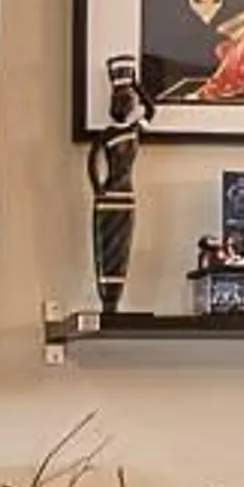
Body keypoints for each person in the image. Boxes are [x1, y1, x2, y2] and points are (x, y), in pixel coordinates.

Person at [87, 53, 154, 314]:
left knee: (121, 247)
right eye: (123, 100)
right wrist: (97, 188)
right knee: (107, 247)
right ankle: (107, 302)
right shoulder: (107, 134)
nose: (127, 104)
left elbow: (152, 109)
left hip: (126, 197)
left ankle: (113, 303)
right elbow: (92, 161)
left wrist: (136, 83)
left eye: (130, 100)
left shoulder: (134, 130)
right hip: (109, 197)